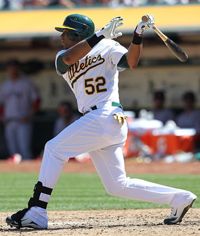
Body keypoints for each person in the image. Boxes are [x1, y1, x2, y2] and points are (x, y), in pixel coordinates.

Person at [6, 14, 196, 229]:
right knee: (117, 186)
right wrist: (99, 35)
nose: (62, 36)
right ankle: (179, 198)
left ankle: (37, 210)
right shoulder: (64, 54)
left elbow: (131, 62)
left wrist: (138, 34)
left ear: (78, 34)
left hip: (106, 115)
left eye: (67, 33)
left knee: (53, 149)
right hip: (100, 120)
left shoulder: (108, 46)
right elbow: (66, 61)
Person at [0, 59, 40, 160]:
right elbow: (1, 104)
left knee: (24, 150)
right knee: (13, 151)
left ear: (18, 68)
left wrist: (30, 115)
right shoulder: (5, 85)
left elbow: (37, 101)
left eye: (14, 67)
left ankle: (29, 173)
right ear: (7, 70)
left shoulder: (26, 83)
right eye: (10, 67)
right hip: (9, 121)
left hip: (23, 120)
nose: (12, 69)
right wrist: (2, 117)